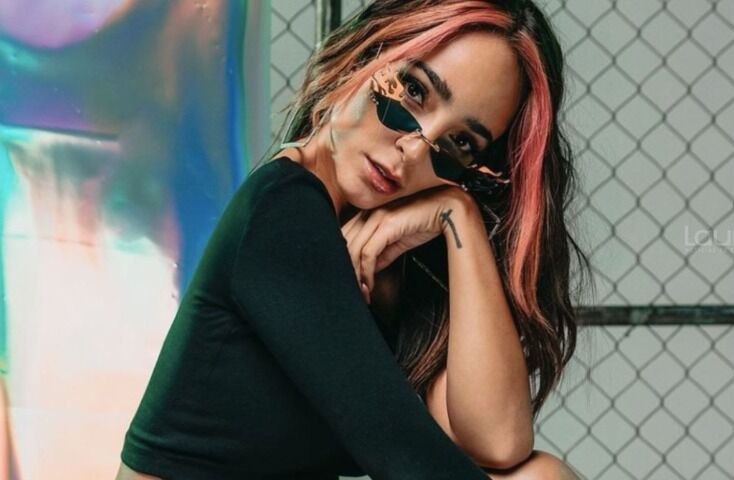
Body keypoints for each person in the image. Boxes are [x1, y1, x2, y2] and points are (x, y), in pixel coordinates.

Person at [117, 0, 590, 478]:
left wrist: (459, 216)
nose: (413, 151)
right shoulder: (283, 210)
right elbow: (404, 457)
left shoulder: (395, 247)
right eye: (413, 91)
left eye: (460, 143)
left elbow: (498, 441)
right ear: (363, 55)